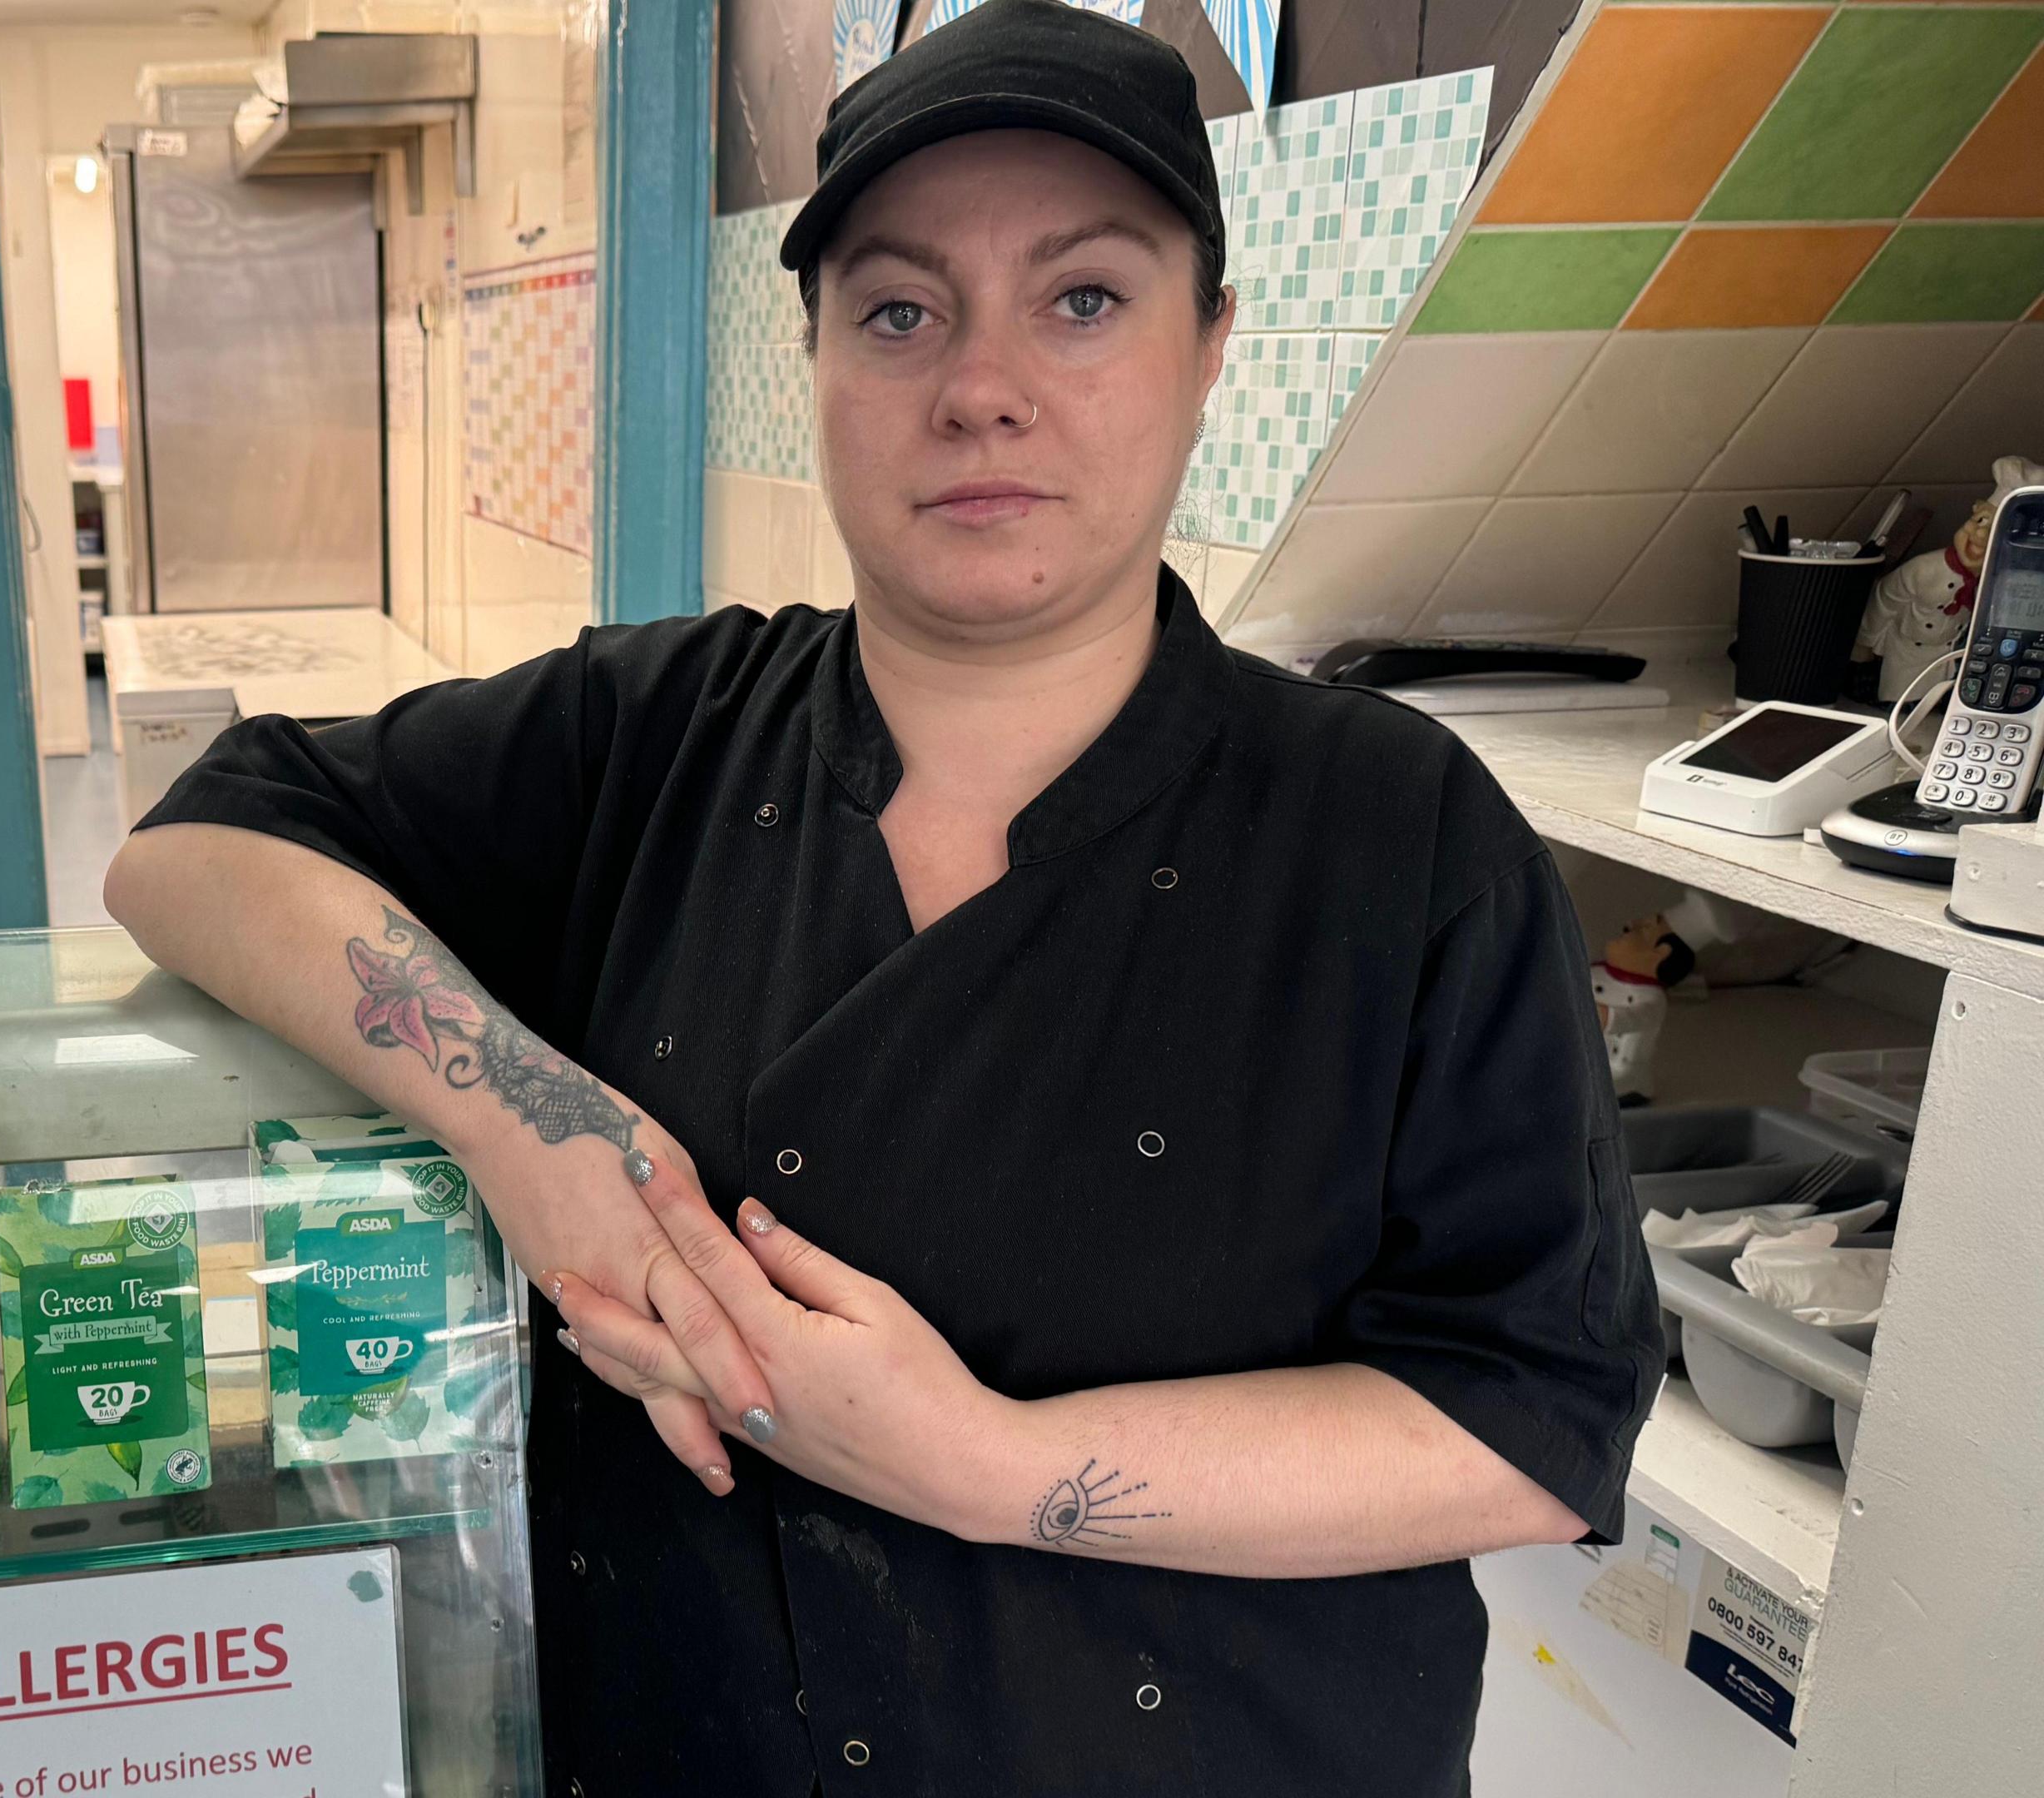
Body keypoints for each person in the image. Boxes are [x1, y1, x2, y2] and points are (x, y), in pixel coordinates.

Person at [106, 2, 1663, 1789]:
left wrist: (985, 1468)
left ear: (1212, 343)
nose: (980, 386)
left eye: (1083, 301)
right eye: (901, 312)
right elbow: (197, 840)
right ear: (822, 358)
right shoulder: (648, 733)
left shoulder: (1400, 839)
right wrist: (534, 1126)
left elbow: (1532, 1423)